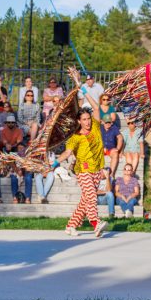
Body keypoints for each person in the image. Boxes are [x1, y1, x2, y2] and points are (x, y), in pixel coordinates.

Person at [56, 70, 109, 237]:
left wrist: (82, 88)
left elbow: (95, 107)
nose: (87, 121)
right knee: (92, 197)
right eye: (84, 119)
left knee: (85, 200)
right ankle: (96, 223)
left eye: (88, 119)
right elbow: (67, 152)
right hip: (83, 170)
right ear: (79, 121)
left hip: (97, 169)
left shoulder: (95, 126)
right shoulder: (75, 137)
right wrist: (55, 163)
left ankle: (70, 226)